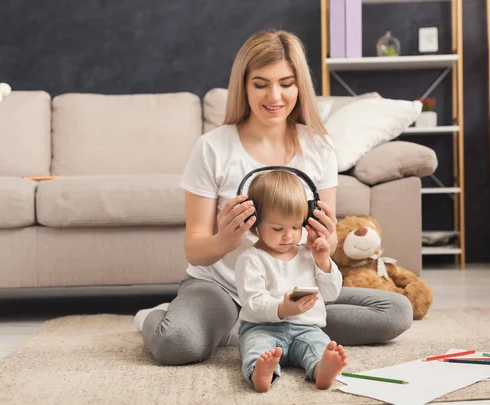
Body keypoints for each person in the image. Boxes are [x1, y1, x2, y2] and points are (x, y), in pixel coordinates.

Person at [134, 29, 413, 366]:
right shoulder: (212, 148)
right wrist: (225, 239)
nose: (275, 96)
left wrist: (325, 242)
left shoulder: (318, 148)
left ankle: (253, 328)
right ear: (244, 86)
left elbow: (327, 248)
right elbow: (194, 248)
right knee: (177, 342)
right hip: (221, 290)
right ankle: (174, 317)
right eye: (261, 83)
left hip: (292, 292)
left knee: (395, 311)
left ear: (300, 86)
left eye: (286, 83)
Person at [235, 169, 347, 392]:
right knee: (256, 348)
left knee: (318, 345)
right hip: (262, 328)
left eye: (296, 227)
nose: (289, 236)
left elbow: (332, 293)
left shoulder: (309, 253)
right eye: (278, 228)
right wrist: (282, 308)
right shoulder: (251, 258)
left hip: (306, 329)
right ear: (254, 222)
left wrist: (323, 262)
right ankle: (260, 373)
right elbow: (253, 302)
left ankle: (321, 369)